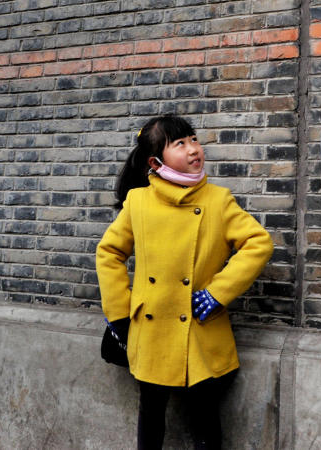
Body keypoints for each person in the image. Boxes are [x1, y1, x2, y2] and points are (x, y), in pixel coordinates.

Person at [96, 114, 273, 450]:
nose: (193, 149)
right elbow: (109, 253)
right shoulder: (139, 201)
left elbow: (258, 243)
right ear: (155, 161)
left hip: (199, 329)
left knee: (205, 418)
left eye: (193, 139)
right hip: (151, 331)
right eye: (180, 143)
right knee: (150, 417)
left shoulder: (217, 200)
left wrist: (218, 293)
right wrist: (119, 313)